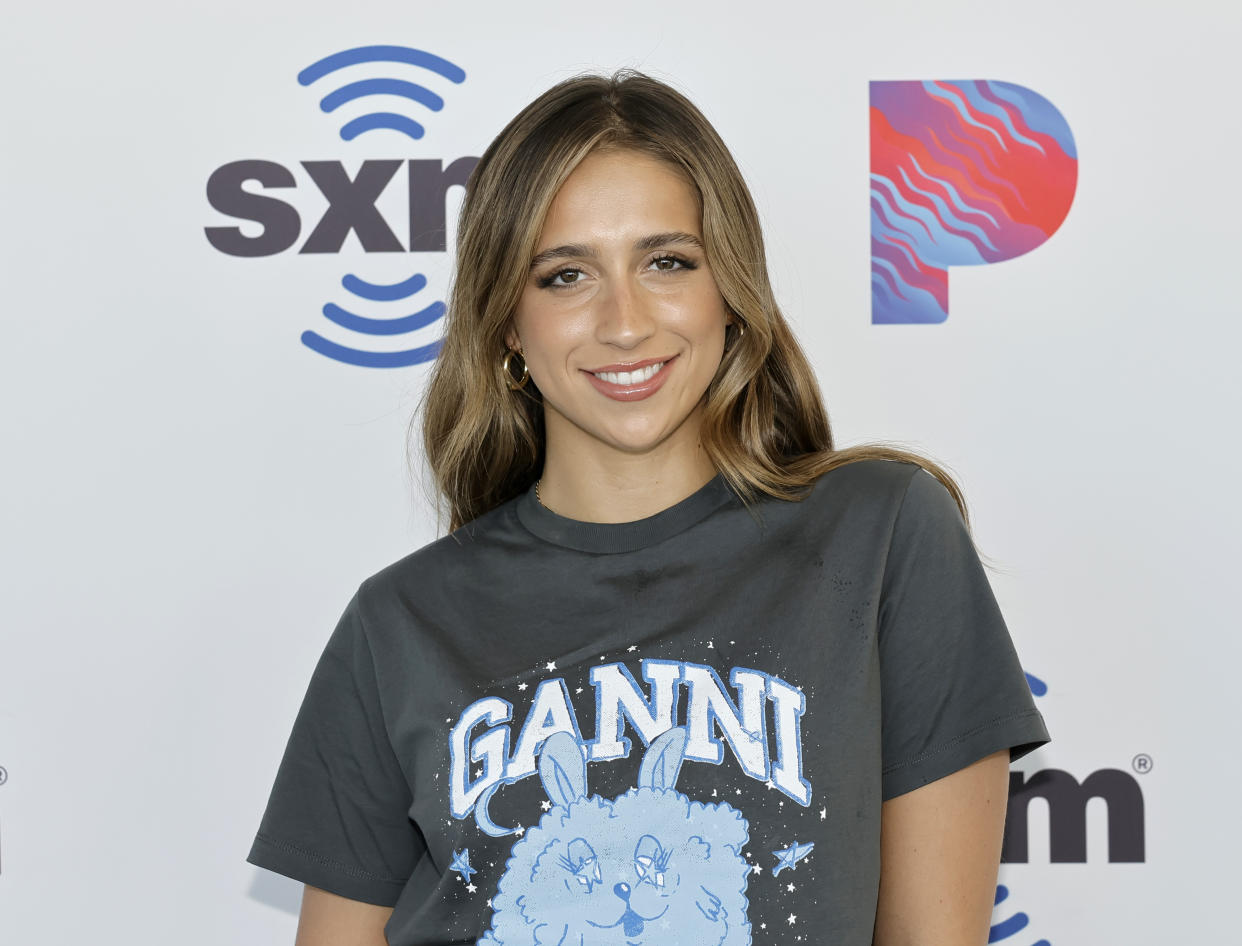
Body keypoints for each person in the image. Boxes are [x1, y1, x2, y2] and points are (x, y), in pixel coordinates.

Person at [247, 70, 1049, 946]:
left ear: (729, 294)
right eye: (564, 276)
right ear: (509, 325)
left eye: (667, 262)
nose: (624, 322)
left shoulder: (883, 535)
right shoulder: (398, 621)